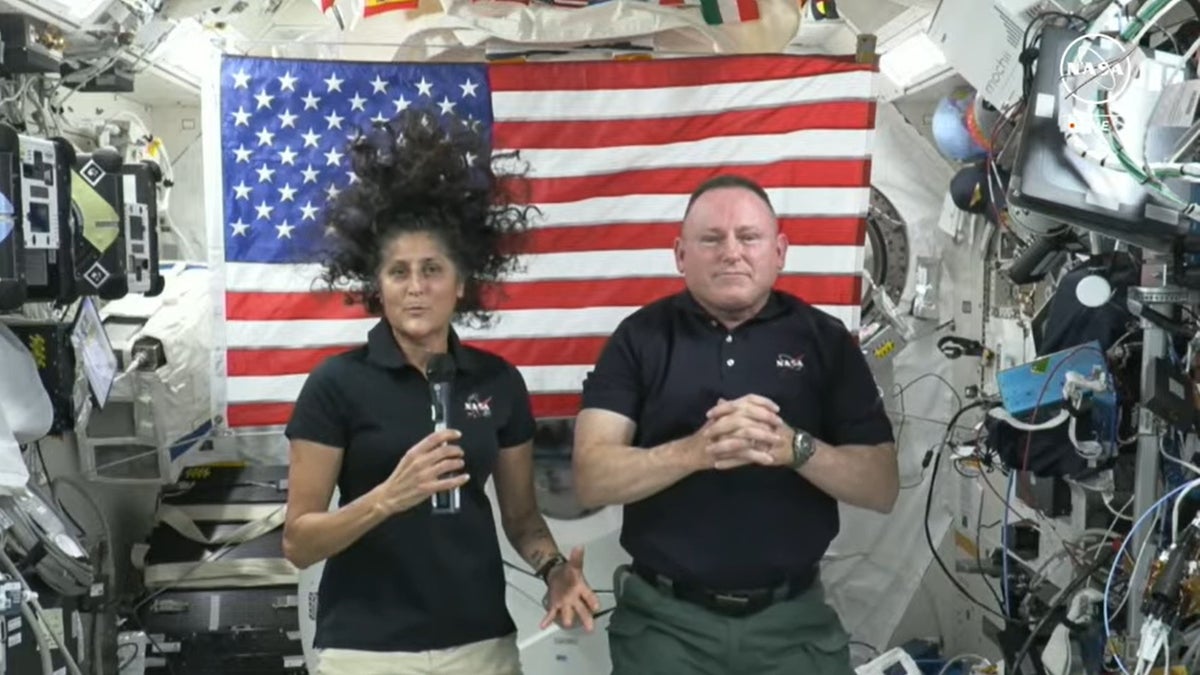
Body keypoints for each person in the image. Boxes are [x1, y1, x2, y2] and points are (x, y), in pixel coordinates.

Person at [282, 110, 599, 675]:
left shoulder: (497, 382)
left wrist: (555, 570)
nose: (416, 287)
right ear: (375, 286)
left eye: (432, 269)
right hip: (363, 651)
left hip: (479, 646)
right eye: (398, 272)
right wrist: (389, 496)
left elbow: (522, 519)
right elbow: (299, 543)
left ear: (463, 280)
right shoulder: (336, 384)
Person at [572, 174, 899, 675]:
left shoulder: (825, 341)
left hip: (793, 627)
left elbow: (882, 486)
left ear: (780, 251)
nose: (732, 252)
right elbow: (592, 477)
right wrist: (697, 451)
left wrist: (796, 447)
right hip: (665, 628)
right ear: (681, 255)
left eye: (748, 237)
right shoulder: (640, 339)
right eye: (712, 239)